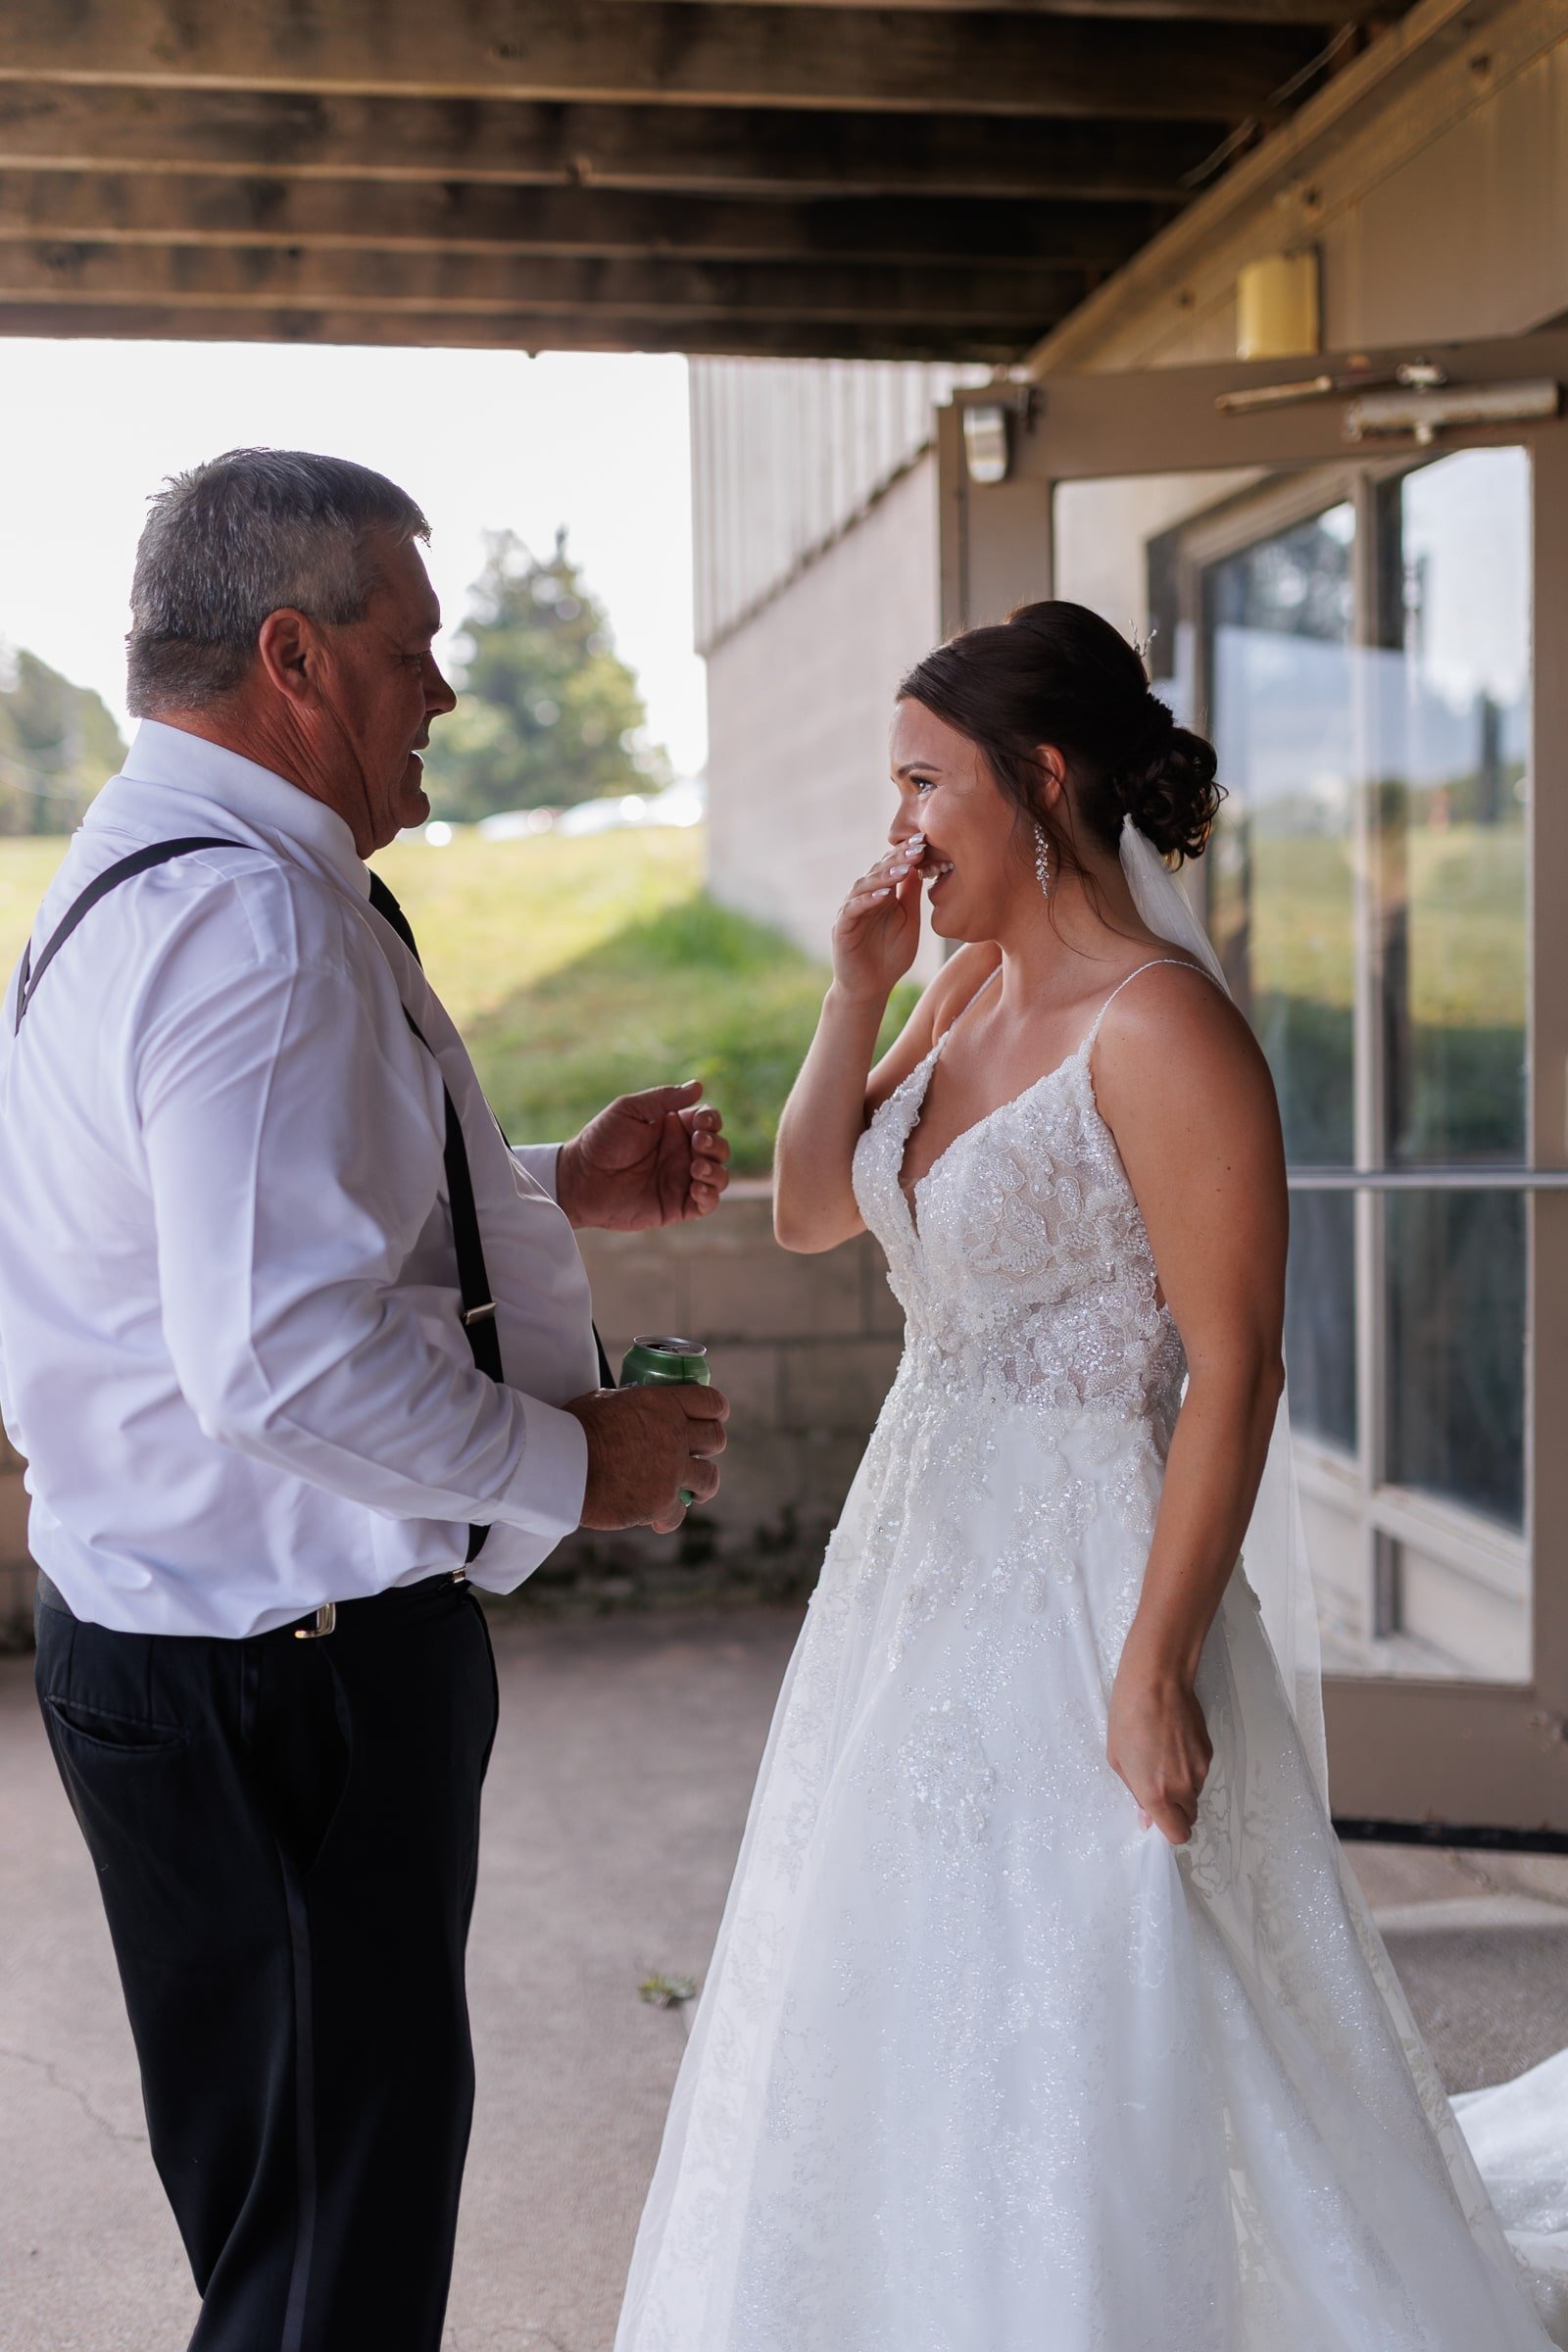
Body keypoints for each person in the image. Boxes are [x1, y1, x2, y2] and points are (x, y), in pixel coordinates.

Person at [613, 601, 1558, 2350]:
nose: (899, 828)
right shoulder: (965, 985)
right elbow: (819, 1209)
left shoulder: (1162, 1027)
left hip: (1081, 1573)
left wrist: (1151, 1671)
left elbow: (1238, 1368)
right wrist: (854, 992)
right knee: (886, 1970)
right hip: (912, 1557)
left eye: (922, 785)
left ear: (1040, 780)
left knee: (1097, 1981)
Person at [0, 449, 731, 2352]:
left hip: (186, 1659)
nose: (448, 695)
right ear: (294, 657)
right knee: (332, 2267)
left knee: (294, 2220)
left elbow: (240, 1241)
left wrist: (555, 1184)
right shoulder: (259, 932)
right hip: (286, 1696)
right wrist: (579, 1465)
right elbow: (278, 1360)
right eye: (417, 649)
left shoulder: (152, 869)